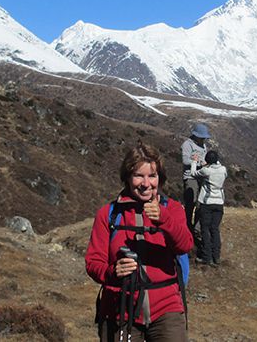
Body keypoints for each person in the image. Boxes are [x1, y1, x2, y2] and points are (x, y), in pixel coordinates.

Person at [86, 142, 194, 342]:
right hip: (119, 310)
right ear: (127, 178)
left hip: (166, 309)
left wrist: (164, 219)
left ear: (159, 178)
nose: (146, 183)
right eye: (138, 175)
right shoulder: (108, 215)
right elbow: (93, 263)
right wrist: (112, 271)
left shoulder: (173, 209)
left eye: (152, 176)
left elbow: (185, 245)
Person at [194, 150, 227, 266]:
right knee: (215, 229)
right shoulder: (223, 170)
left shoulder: (206, 171)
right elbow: (218, 165)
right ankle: (216, 256)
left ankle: (206, 257)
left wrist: (194, 162)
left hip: (207, 203)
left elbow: (194, 173)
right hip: (219, 203)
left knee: (205, 229)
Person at [181, 123, 209, 234]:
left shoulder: (204, 146)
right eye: (202, 137)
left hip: (201, 176)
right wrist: (197, 162)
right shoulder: (187, 144)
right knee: (190, 202)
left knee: (200, 203)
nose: (203, 140)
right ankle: (186, 225)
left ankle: (197, 228)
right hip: (190, 177)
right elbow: (185, 161)